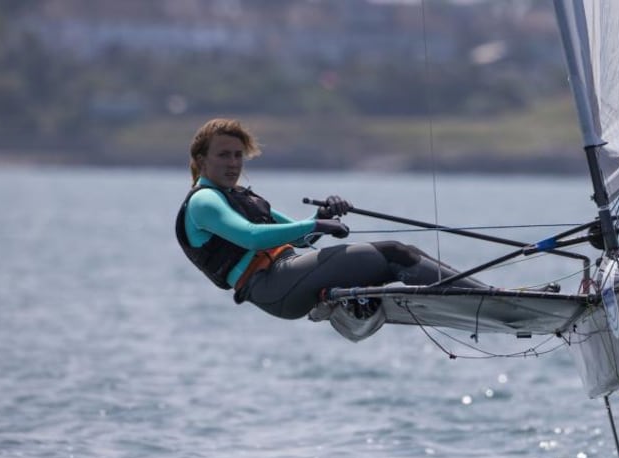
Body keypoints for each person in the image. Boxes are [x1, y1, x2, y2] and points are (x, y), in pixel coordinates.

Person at [175, 118, 487, 320]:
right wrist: (316, 225)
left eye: (237, 155)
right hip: (272, 286)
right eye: (223, 155)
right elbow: (252, 237)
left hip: (286, 278)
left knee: (397, 257)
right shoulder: (204, 201)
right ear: (202, 161)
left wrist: (320, 217)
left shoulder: (240, 196)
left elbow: (300, 239)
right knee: (394, 253)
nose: (233, 163)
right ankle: (485, 299)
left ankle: (482, 296)